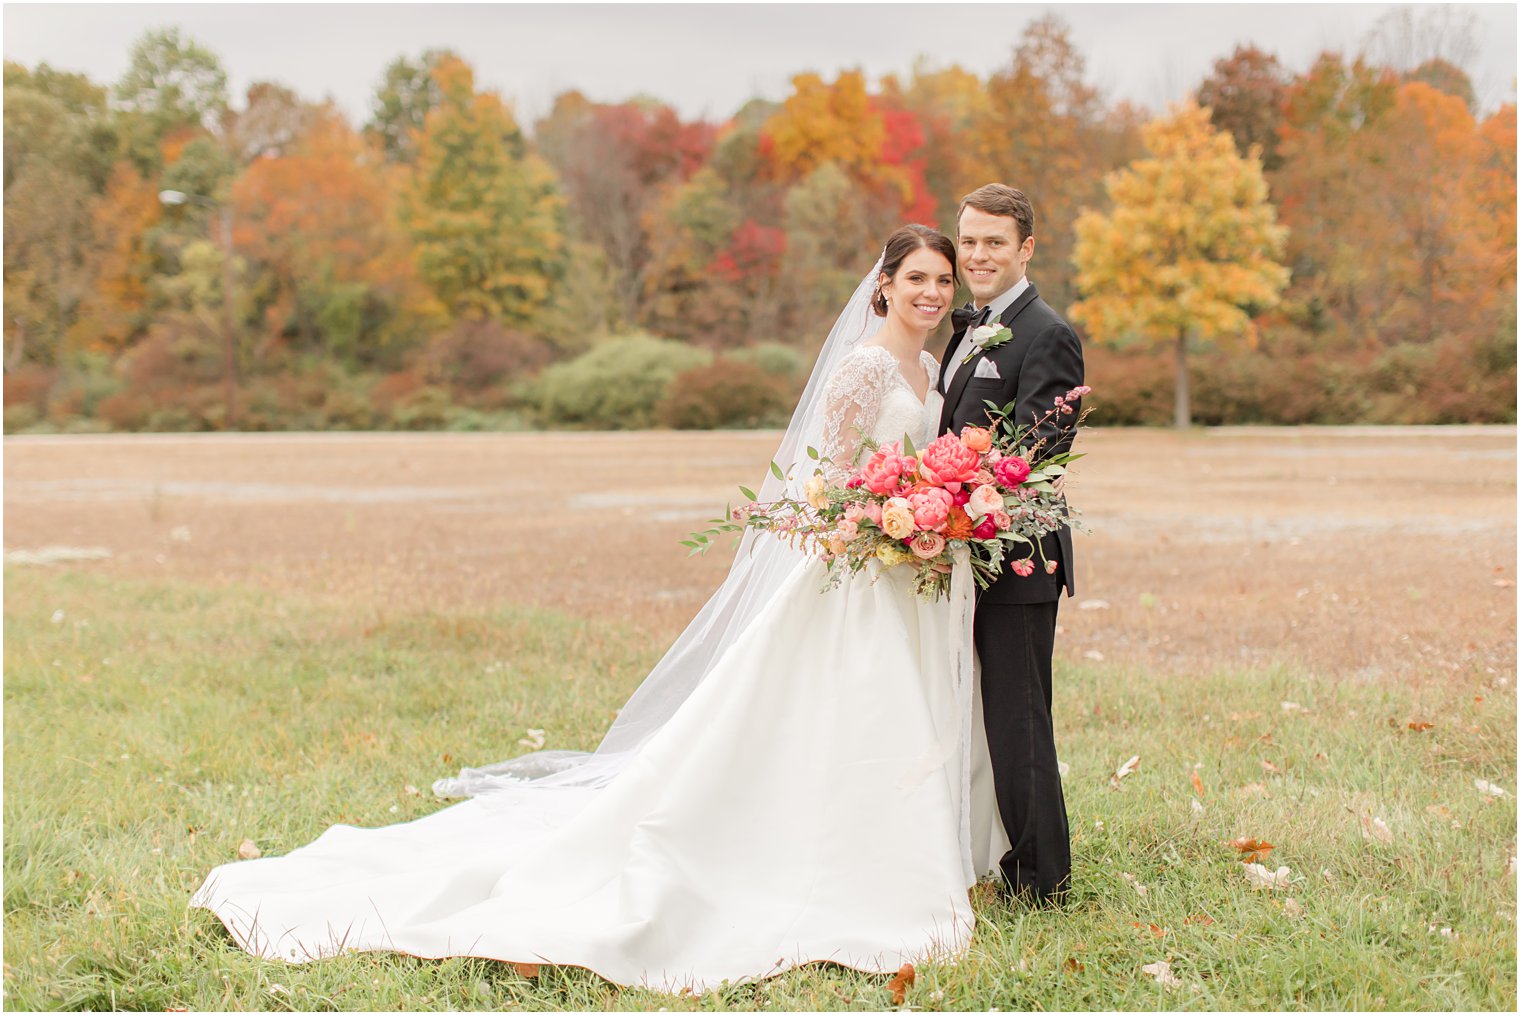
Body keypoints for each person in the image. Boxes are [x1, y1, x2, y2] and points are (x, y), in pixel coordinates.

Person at [189, 225, 1014, 993]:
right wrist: (877, 518)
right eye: (917, 277)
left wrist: (927, 508)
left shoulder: (928, 369)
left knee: (876, 719)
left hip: (902, 575)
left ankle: (879, 851)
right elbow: (820, 481)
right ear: (883, 285)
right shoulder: (866, 366)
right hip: (851, 578)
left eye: (943, 280)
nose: (933, 291)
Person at [937, 184, 1084, 904]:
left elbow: (1034, 457)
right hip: (968, 552)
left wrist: (950, 495)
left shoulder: (1045, 331)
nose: (978, 254)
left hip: (1020, 558)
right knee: (987, 713)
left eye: (995, 241)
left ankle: (1042, 881)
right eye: (969, 240)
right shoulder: (973, 325)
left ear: (1026, 248)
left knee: (1018, 717)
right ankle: (1001, 855)